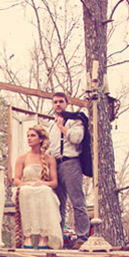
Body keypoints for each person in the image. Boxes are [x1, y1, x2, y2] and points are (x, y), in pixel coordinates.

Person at [47, 94, 91, 246]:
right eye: (55, 102)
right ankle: (59, 238)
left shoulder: (75, 120)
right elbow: (51, 148)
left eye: (60, 101)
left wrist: (62, 127)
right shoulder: (51, 126)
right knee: (58, 203)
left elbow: (77, 138)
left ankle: (82, 238)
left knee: (77, 202)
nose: (58, 104)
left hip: (71, 163)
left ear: (66, 103)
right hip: (55, 166)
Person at [14, 125, 63, 250]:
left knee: (45, 192)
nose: (29, 138)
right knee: (25, 192)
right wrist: (25, 184)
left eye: (33, 136)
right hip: (26, 187)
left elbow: (54, 182)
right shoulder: (22, 158)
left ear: (41, 139)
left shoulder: (49, 159)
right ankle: (28, 235)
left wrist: (45, 183)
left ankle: (44, 236)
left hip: (42, 188)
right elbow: (17, 180)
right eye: (28, 136)